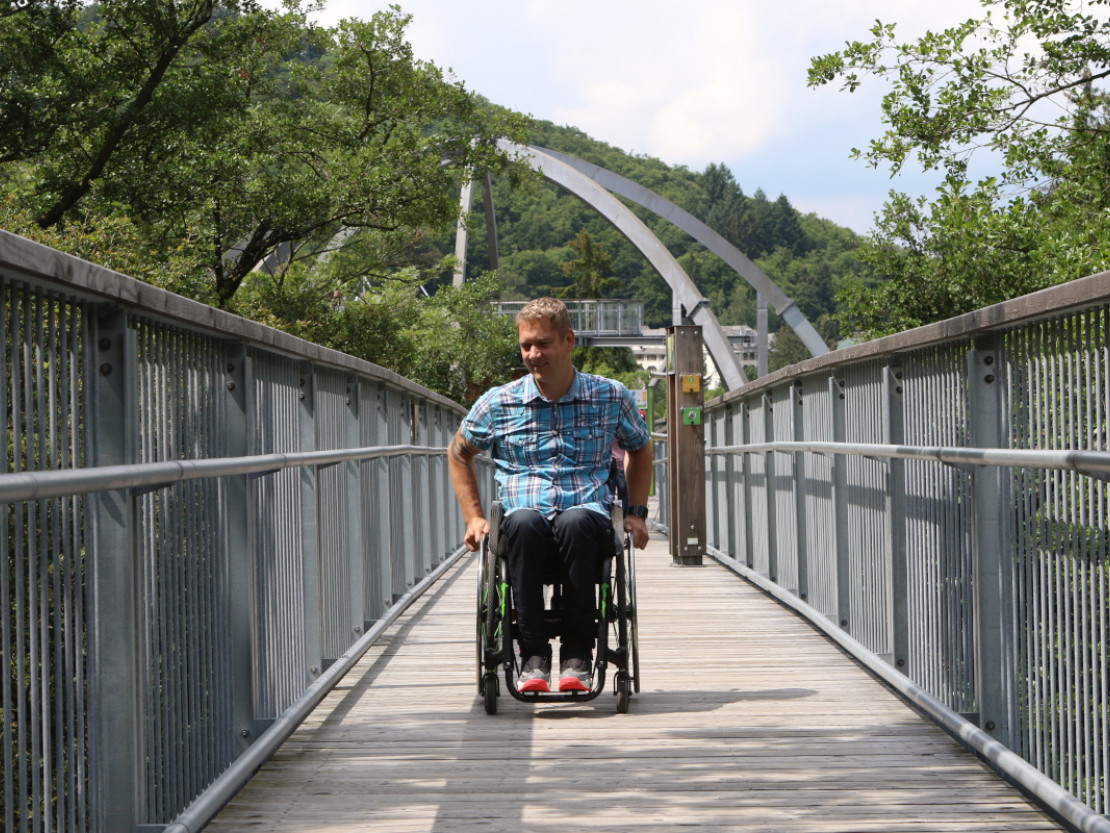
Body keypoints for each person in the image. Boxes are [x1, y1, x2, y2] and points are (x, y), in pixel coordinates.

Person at [448, 297, 653, 693]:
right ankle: (533, 657)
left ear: (569, 339)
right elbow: (459, 453)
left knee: (577, 520)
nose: (533, 355)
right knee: (522, 522)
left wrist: (637, 512)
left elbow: (641, 447)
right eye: (526, 345)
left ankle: (578, 656)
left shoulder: (610, 396)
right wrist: (474, 517)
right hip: (525, 518)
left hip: (586, 515)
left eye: (542, 344)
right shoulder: (500, 401)